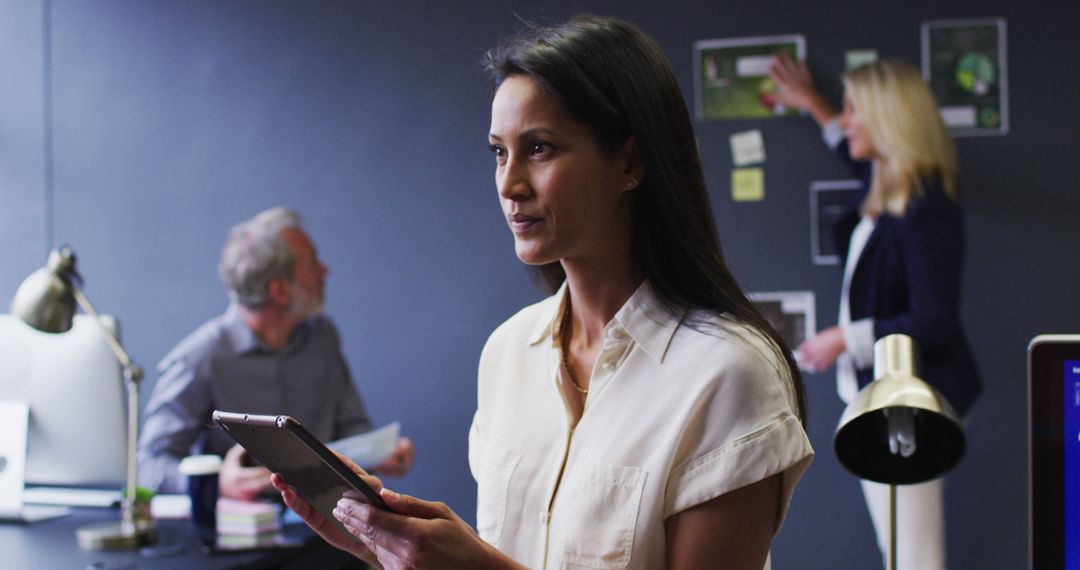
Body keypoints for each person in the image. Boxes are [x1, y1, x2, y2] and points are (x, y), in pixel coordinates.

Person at [273, 16, 813, 569]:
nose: (509, 185)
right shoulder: (507, 354)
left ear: (629, 161)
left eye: (539, 149)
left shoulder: (726, 372)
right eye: (499, 153)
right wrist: (384, 547)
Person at [769, 56, 981, 569]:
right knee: (898, 545)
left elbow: (933, 321)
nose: (847, 121)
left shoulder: (925, 209)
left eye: (853, 109)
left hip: (913, 406)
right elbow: (849, 148)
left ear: (887, 121)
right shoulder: (887, 179)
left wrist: (845, 337)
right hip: (886, 397)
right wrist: (813, 104)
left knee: (913, 553)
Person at [137, 207, 414, 499]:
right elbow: (149, 466)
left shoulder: (322, 337)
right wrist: (219, 484)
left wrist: (377, 453)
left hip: (333, 522)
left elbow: (352, 425)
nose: (325, 272)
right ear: (280, 291)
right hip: (247, 535)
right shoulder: (201, 358)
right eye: (313, 264)